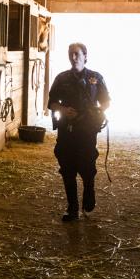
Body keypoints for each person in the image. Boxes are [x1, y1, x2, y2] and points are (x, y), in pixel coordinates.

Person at [48, 43, 110, 222]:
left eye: (77, 54)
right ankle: (72, 208)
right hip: (67, 130)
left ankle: (89, 193)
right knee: (67, 168)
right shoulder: (62, 78)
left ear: (85, 56)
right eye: (70, 54)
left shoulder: (95, 78)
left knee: (87, 166)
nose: (73, 58)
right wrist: (63, 109)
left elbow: (106, 101)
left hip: (87, 131)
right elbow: (51, 102)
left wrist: (97, 111)